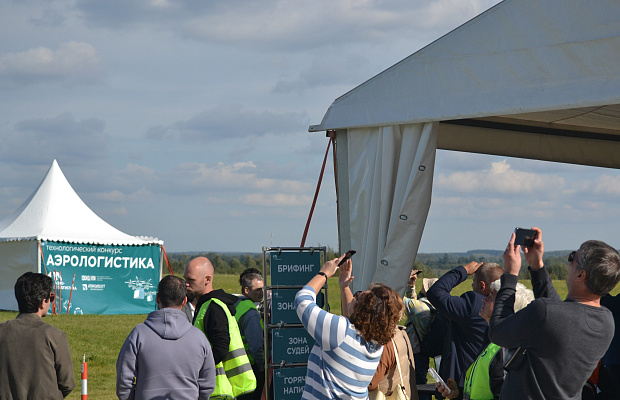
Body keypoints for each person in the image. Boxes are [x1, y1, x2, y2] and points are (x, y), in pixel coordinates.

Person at [489, 227, 620, 400]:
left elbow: (498, 332)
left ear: (581, 274)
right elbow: (559, 313)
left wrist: (511, 275)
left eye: (573, 257)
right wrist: (537, 266)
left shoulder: (547, 313)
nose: (569, 262)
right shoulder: (606, 322)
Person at [295, 254, 404, 400]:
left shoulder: (341, 331)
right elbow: (351, 324)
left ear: (363, 310)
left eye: (359, 296)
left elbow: (302, 301)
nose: (354, 295)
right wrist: (344, 287)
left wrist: (324, 272)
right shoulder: (376, 344)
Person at [116, 275, 216, 400]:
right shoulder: (199, 338)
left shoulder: (138, 334)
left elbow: (124, 381)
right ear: (184, 301)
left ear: (157, 298)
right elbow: (208, 384)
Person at [437, 279, 534, 399]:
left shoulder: (505, 349)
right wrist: (458, 393)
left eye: (491, 297)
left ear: (507, 308)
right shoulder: (494, 342)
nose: (484, 299)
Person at [426, 261, 504, 399]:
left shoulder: (474, 304)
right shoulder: (510, 310)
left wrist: (463, 271)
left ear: (482, 286)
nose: (472, 286)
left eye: (473, 283)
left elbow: (435, 292)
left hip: (464, 382)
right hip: (488, 384)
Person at [184, 256, 256, 399]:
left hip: (220, 390)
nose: (186, 284)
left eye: (190, 280)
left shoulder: (213, 308)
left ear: (207, 279)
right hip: (220, 389)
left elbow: (220, 349)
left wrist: (196, 369)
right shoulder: (207, 305)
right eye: (185, 279)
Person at [0, 272, 74, 399]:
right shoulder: (55, 336)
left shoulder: (2, 331)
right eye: (51, 297)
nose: (51, 301)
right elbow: (67, 383)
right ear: (42, 302)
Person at [404, 271, 437, 400]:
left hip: (414, 351)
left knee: (416, 385)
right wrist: (411, 286)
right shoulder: (430, 307)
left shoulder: (420, 308)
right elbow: (413, 304)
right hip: (422, 350)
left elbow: (396, 298)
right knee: (420, 383)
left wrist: (403, 279)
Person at [234, 268, 265, 400]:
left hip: (237, 364)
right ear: (247, 290)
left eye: (263, 289)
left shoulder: (237, 305)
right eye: (258, 290)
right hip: (251, 367)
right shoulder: (251, 312)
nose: (262, 293)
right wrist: (262, 366)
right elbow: (256, 345)